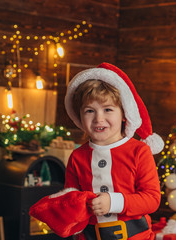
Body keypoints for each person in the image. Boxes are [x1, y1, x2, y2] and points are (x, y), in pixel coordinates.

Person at [63, 62, 165, 240]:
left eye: (108, 109)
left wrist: (114, 202)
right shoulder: (77, 156)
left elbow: (152, 199)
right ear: (79, 116)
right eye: (89, 111)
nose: (98, 118)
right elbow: (71, 200)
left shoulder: (139, 151)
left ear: (124, 113)